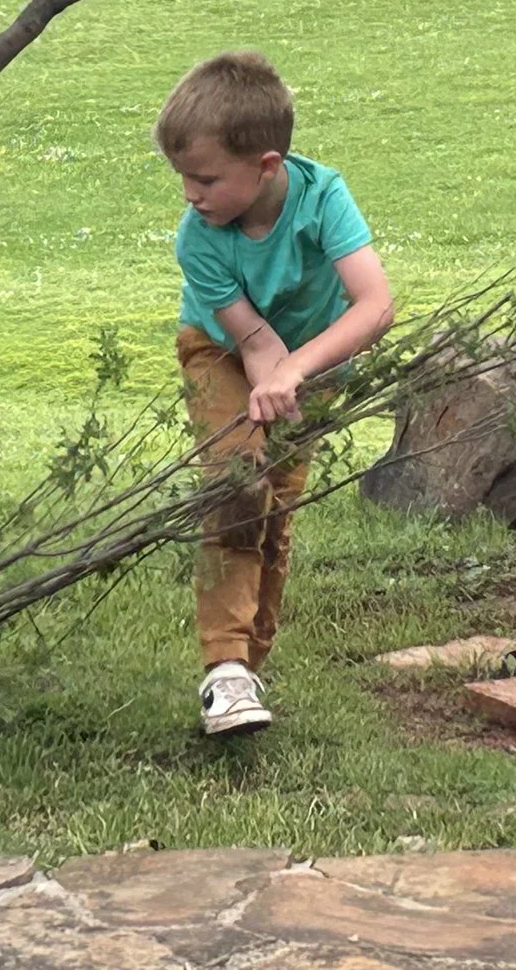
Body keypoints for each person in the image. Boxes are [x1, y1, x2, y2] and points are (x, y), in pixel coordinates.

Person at [156, 52, 394, 736]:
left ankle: (248, 670)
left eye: (204, 178)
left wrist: (302, 370)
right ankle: (222, 666)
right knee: (237, 479)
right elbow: (256, 346)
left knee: (277, 506)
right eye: (182, 177)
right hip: (224, 349)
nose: (189, 194)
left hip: (309, 363)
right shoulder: (198, 236)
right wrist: (279, 370)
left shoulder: (322, 198)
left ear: (265, 165)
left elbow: (375, 304)